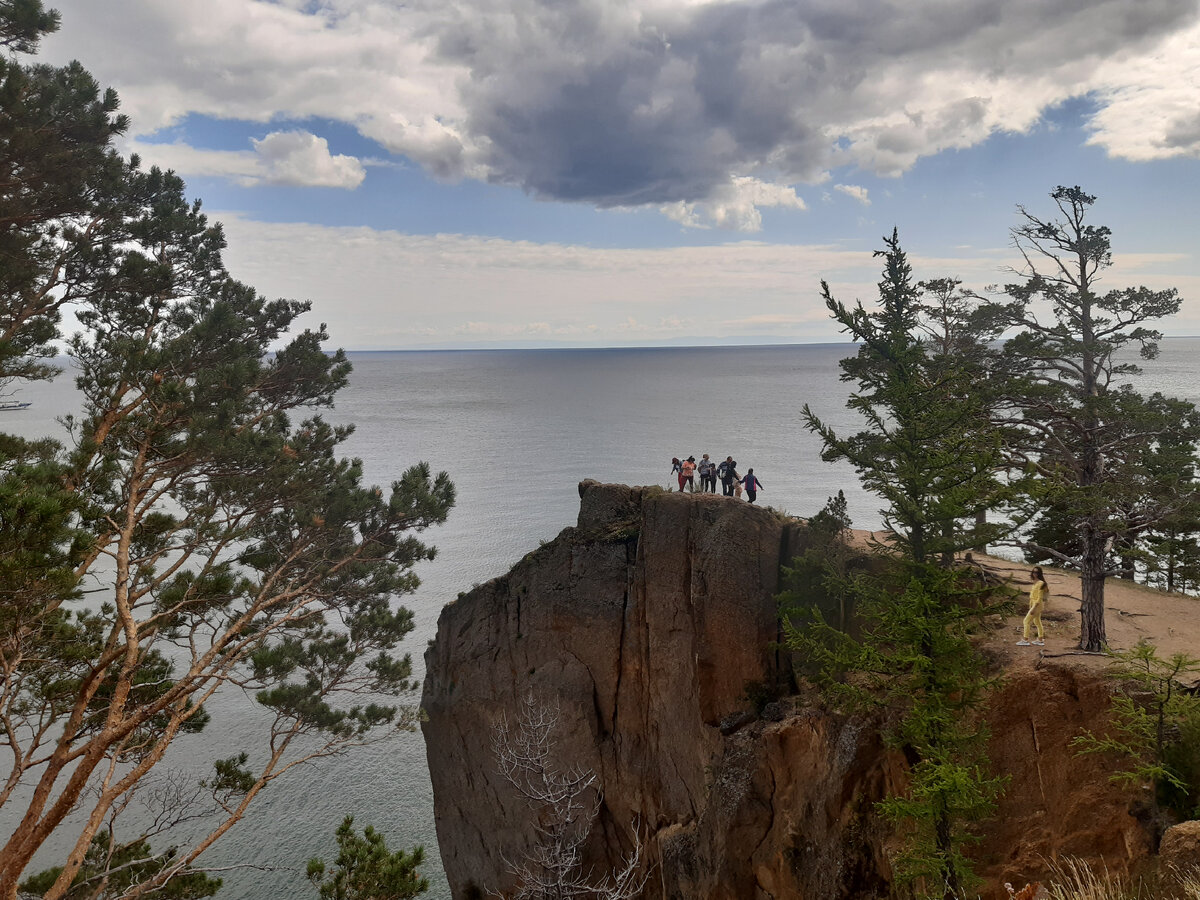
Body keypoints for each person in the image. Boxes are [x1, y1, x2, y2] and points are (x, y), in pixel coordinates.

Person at [1017, 567, 1049, 646]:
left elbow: (1039, 597)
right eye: (1033, 572)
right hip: (1034, 604)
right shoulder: (1035, 582)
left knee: (1026, 621)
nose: (1035, 574)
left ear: (1040, 573)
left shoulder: (1041, 583)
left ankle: (1025, 640)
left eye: (1037, 572)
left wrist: (1033, 608)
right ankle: (1040, 639)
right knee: (1037, 622)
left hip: (1037, 605)